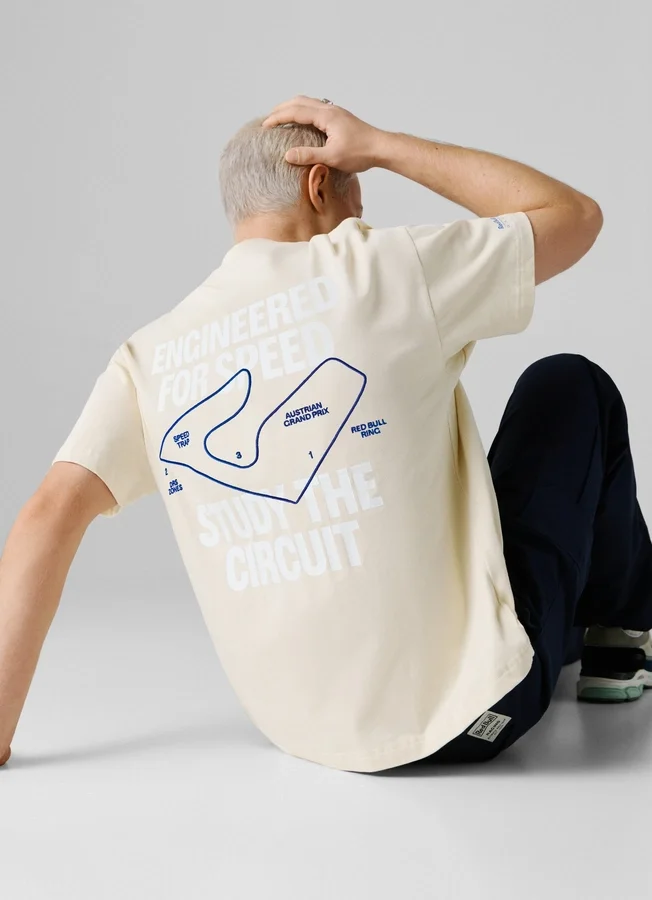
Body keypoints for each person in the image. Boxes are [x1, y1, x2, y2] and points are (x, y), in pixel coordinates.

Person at [1, 96, 650, 775]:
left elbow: (49, 514)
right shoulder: (384, 268)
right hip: (476, 713)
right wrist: (382, 145)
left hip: (301, 732)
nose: (359, 221)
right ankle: (622, 636)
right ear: (319, 185)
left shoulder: (150, 355)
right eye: (356, 201)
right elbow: (575, 216)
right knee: (569, 384)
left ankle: (582, 624)